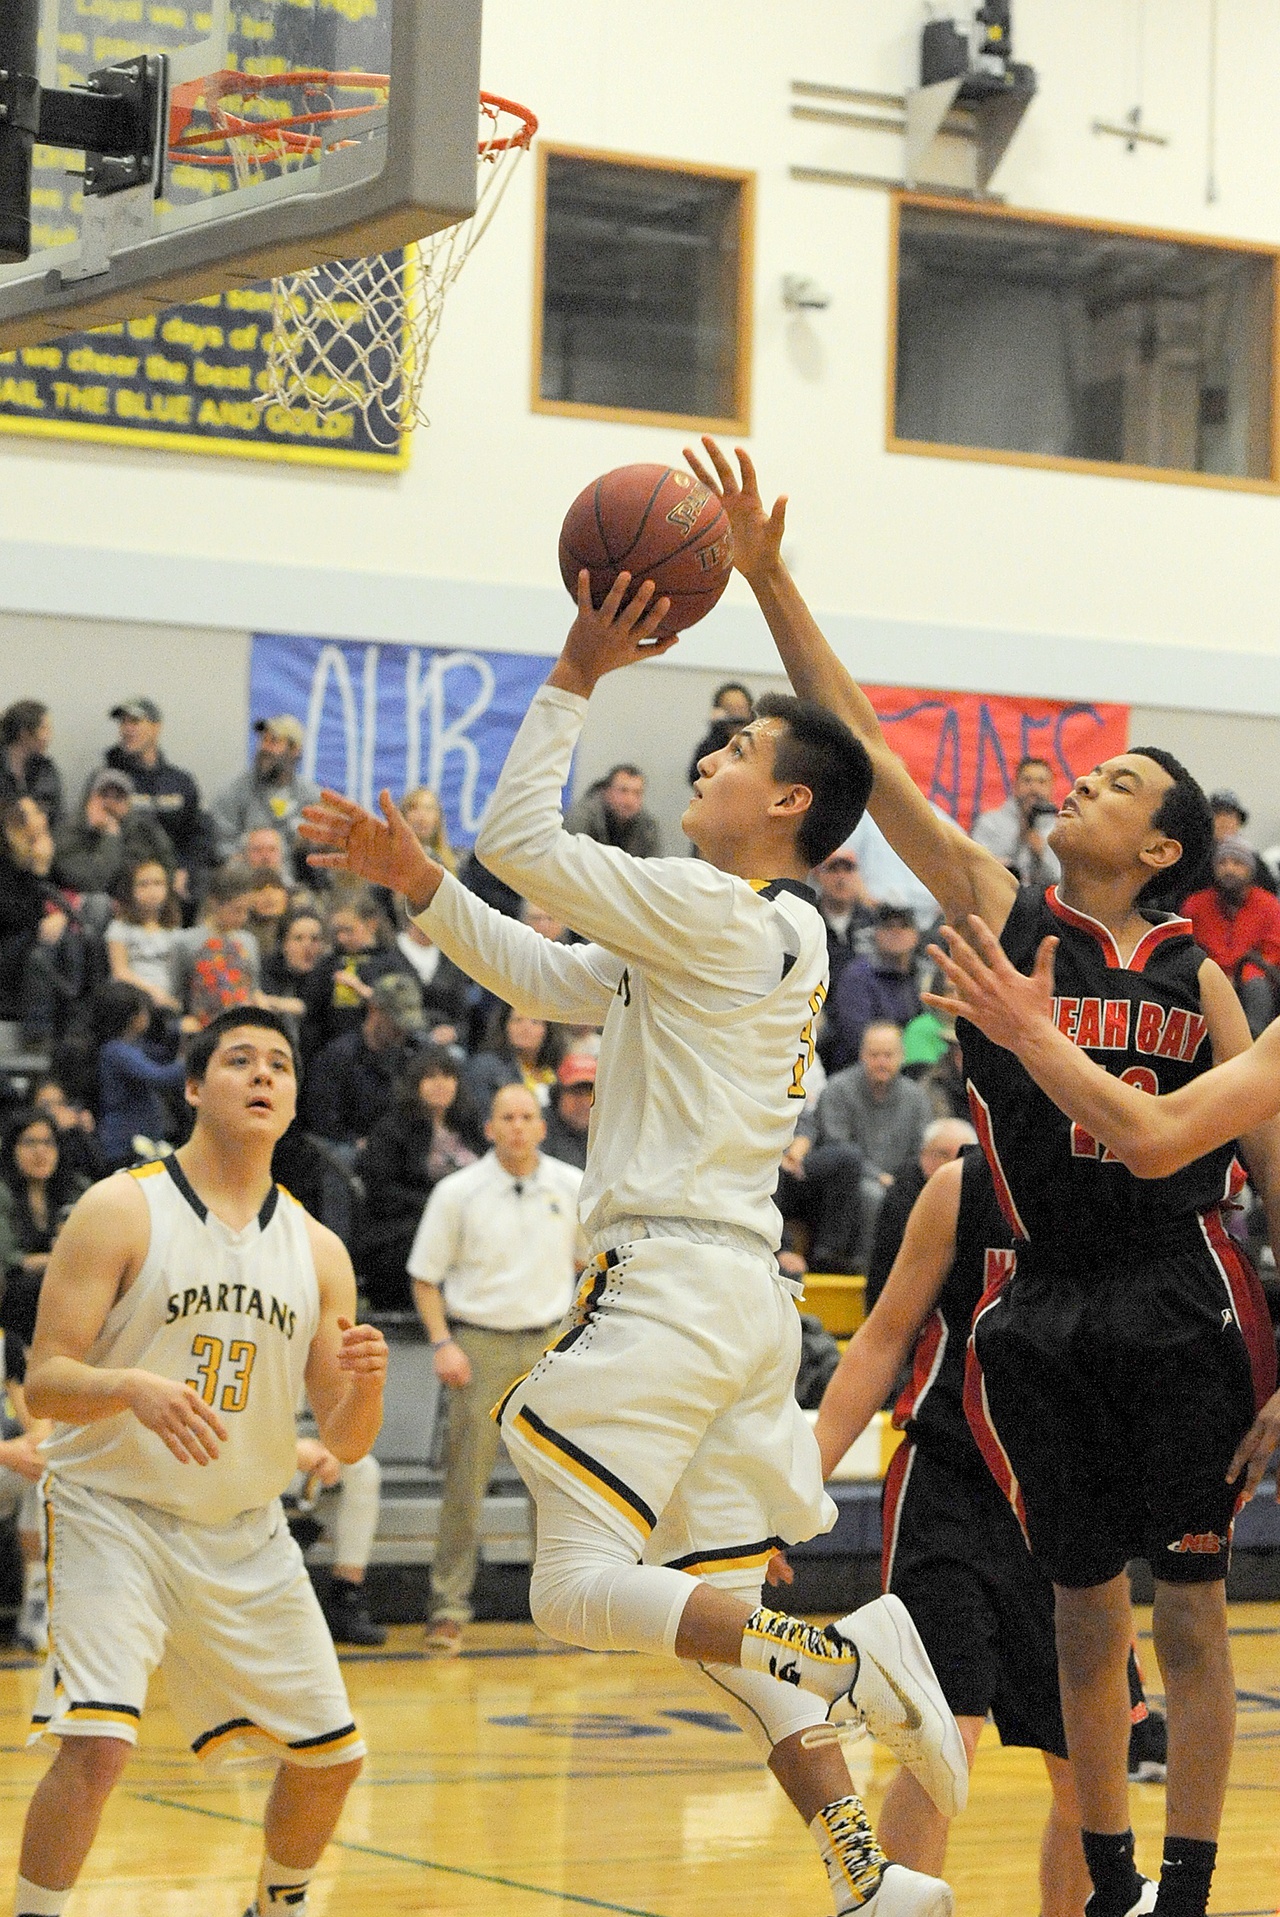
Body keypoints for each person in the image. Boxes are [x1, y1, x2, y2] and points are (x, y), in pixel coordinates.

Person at [301, 570, 966, 1917]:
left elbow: (524, 840)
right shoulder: (760, 930)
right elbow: (545, 974)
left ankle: (848, 1655)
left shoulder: (721, 910)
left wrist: (575, 664)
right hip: (732, 1300)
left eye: (734, 751)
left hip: (666, 1286)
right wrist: (421, 883)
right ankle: (866, 1873)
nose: (707, 761)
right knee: (723, 1637)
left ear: (788, 803)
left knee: (569, 1591)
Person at [685, 433, 1280, 1917]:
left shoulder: (1203, 977)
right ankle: (1114, 1883)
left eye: (1116, 781)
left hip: (1183, 1294)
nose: (1080, 784)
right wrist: (771, 580)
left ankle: (1192, 1888)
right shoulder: (1010, 914)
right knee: (1085, 1622)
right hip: (1045, 1305)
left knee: (1191, 1616)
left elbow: (1261, 1165)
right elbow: (870, 757)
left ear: (1159, 845)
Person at [13, 1005, 387, 1917]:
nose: (263, 1075)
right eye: (238, 1060)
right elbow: (44, 1387)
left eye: (279, 1066)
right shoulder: (119, 1207)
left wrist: (367, 1385)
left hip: (244, 1530)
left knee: (333, 1756)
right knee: (99, 1743)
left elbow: (341, 1440)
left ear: (295, 1099)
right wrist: (132, 1387)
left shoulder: (319, 1249)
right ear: (191, 1087)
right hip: (112, 1509)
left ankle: (276, 1904)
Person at [407, 1082, 584, 1653]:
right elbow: (425, 1276)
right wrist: (442, 1343)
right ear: (488, 1128)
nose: (516, 1125)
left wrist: (582, 1337)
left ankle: (557, 1615)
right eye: (505, 1116)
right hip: (479, 1344)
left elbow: (591, 1263)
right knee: (465, 1482)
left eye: (526, 1116)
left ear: (540, 1125)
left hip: (552, 1346)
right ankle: (449, 1608)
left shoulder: (572, 1185)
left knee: (555, 1488)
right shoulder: (458, 1192)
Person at [357, 1047, 479, 1310]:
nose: (441, 1084)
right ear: (415, 1084)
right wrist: (438, 1206)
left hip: (471, 1217)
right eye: (431, 1077)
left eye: (448, 1076)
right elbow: (381, 1193)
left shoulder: (469, 1126)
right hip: (407, 1224)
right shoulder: (391, 1129)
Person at [864, 1118, 977, 1314]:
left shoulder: (982, 1193)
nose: (951, 1164)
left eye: (961, 1155)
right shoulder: (903, 1190)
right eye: (942, 1154)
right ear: (924, 1155)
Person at [102, 697, 208, 906]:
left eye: (135, 722)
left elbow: (198, 835)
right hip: (125, 878)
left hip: (174, 878)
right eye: (123, 723)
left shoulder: (180, 782)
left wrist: (184, 869)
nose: (127, 729)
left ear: (156, 727)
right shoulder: (109, 781)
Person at [305, 974, 427, 1151]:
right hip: (350, 1147)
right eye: (395, 1023)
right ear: (374, 1009)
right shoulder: (339, 1056)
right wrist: (356, 1142)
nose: (402, 1031)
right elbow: (322, 1120)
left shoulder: (412, 1053)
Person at [291, 1432, 386, 1648]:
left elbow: (338, 1416)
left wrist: (331, 1450)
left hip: (296, 1454)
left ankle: (346, 1597)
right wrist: (291, 1449)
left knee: (363, 1468)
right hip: (245, 1456)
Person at [1183, 836, 1280, 1035]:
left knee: (1258, 986)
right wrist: (1216, 974)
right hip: (1207, 977)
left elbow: (1272, 950)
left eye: (1237, 863)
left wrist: (1242, 975)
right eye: (1222, 862)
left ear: (1250, 870)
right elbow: (1184, 947)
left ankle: (1253, 1045)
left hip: (1252, 978)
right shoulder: (1195, 904)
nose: (1229, 869)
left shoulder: (1269, 904)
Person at [92, 981, 188, 1169]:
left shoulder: (131, 1046)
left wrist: (178, 1032)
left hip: (141, 1138)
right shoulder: (116, 1051)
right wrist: (192, 1058)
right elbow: (160, 1077)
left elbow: (161, 1054)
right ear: (131, 1017)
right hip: (125, 1143)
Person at [212, 717, 321, 873]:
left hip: (299, 883)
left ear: (295, 749)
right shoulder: (234, 793)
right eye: (263, 740)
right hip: (248, 880)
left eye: (274, 741)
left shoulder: (311, 797)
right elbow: (220, 844)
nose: (265, 748)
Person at [824, 902, 924, 1072]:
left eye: (904, 926)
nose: (896, 932)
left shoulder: (924, 973)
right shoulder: (858, 975)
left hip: (918, 1068)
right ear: (876, 933)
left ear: (916, 935)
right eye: (888, 927)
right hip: (862, 1070)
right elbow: (857, 1039)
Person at [52, 768, 173, 900]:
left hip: (133, 906)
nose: (110, 803)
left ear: (128, 804)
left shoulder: (142, 831)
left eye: (118, 797)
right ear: (89, 798)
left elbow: (166, 866)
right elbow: (93, 883)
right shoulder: (67, 831)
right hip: (83, 907)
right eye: (104, 795)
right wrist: (110, 836)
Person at [170, 864, 260, 1029]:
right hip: (203, 1028)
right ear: (214, 903)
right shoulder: (187, 941)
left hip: (241, 1025)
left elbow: (253, 989)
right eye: (236, 910)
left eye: (247, 911)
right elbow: (176, 994)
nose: (243, 917)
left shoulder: (249, 942)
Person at [105, 858, 184, 1015]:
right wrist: (152, 993)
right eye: (143, 884)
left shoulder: (176, 932)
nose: (152, 891)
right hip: (133, 1002)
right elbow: (120, 972)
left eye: (158, 883)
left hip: (169, 1002)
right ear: (130, 890)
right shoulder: (119, 928)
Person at [970, 755, 1062, 889]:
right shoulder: (989, 824)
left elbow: (1067, 882)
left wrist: (1041, 851)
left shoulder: (1062, 831)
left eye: (1041, 782)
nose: (1034, 788)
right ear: (1015, 785)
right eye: (1027, 781)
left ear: (1051, 788)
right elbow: (975, 868)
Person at [463, 1002, 562, 1113]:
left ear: (547, 1030)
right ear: (505, 1026)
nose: (526, 1028)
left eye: (535, 1022)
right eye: (517, 1020)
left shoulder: (557, 1071)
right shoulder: (485, 1067)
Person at [813, 846, 877, 1001]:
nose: (841, 878)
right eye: (833, 870)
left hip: (866, 1006)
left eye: (848, 870)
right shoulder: (809, 920)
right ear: (818, 875)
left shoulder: (873, 921)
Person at [564, 762, 662, 858]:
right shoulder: (581, 817)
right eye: (623, 791)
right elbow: (569, 858)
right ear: (607, 791)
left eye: (637, 793)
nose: (630, 800)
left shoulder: (648, 828)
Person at [0, 701, 63, 829]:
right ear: (24, 733)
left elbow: (58, 818)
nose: (49, 736)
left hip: (39, 841)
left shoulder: (47, 769)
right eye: (44, 728)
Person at [542, 1053, 595, 1171]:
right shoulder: (539, 1128)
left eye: (590, 1093)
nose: (584, 1102)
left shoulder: (607, 1132)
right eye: (576, 1093)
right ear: (557, 1095)